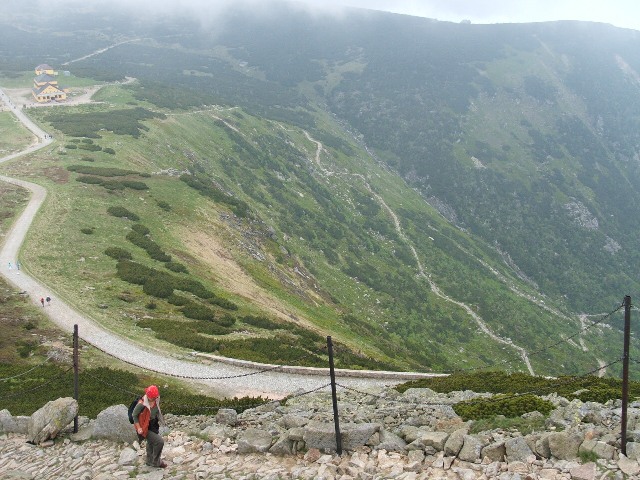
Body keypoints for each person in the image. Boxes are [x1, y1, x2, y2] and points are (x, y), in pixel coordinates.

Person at [132, 385, 167, 468]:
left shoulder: (156, 399)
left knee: (151, 442)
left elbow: (157, 410)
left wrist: (161, 420)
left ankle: (149, 461)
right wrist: (139, 428)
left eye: (156, 397)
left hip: (153, 424)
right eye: (153, 397)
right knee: (159, 442)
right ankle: (156, 462)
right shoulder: (141, 404)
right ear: (148, 396)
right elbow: (134, 415)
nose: (155, 399)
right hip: (144, 426)